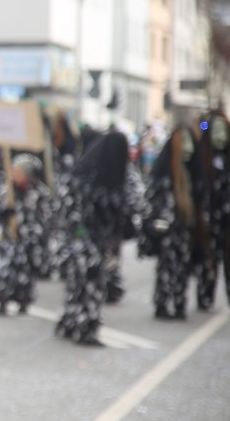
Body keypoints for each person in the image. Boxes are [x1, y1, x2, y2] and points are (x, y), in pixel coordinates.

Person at [56, 131, 139, 345]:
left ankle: (72, 322)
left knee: (84, 285)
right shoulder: (87, 174)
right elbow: (70, 205)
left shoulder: (115, 174)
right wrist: (79, 233)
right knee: (89, 284)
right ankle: (86, 329)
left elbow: (129, 204)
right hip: (83, 238)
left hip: (99, 241)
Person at [140, 125, 203, 320]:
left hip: (185, 227)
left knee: (183, 267)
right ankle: (163, 303)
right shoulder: (165, 170)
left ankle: (178, 302)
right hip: (167, 228)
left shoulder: (194, 171)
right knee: (167, 266)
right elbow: (155, 198)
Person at [0, 154, 53, 315]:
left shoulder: (40, 192)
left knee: (26, 274)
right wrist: (5, 212)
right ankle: (2, 300)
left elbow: (47, 216)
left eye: (18, 172)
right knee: (7, 270)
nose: (15, 175)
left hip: (30, 240)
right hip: (12, 238)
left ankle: (24, 301)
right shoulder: (8, 190)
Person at [197, 112, 230, 311]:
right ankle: (205, 296)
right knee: (208, 259)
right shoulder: (203, 159)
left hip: (227, 218)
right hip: (209, 218)